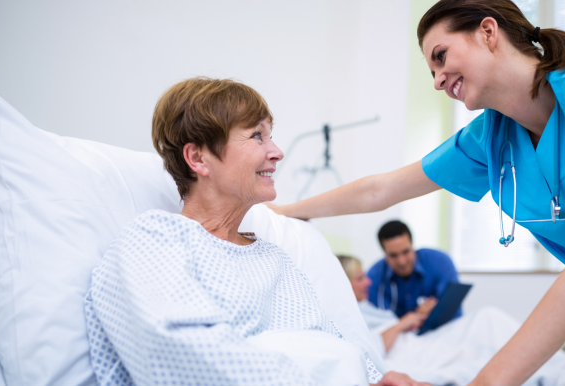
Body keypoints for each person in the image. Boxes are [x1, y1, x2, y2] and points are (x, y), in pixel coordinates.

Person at [269, 0, 565, 385]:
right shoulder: (492, 139)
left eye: (441, 57)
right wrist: (284, 214)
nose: (438, 80)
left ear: (487, 31)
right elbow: (381, 190)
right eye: (432, 71)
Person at [83, 77, 427, 386]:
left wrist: (375, 380)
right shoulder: (154, 241)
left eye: (271, 135)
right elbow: (184, 363)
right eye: (256, 136)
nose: (276, 153)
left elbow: (330, 341)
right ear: (198, 159)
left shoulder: (273, 256)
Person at [338, 255, 565, 386]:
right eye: (359, 278)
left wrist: (416, 318)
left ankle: (564, 363)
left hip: (419, 337)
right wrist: (401, 324)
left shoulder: (366, 306)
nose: (368, 281)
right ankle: (564, 369)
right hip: (411, 351)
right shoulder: (345, 315)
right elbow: (370, 348)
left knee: (489, 318)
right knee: (477, 343)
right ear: (343, 282)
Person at [368, 220, 462, 320]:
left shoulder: (441, 262)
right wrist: (416, 317)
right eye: (393, 255)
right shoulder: (373, 278)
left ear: (412, 245)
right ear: (384, 253)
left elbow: (452, 313)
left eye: (406, 252)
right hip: (400, 336)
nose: (402, 261)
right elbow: (381, 326)